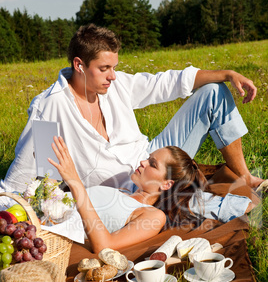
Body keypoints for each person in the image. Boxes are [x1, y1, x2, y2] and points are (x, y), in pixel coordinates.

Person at [1, 23, 265, 196]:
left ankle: (246, 179)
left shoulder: (115, 84)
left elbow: (165, 83)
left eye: (114, 67)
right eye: (104, 69)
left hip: (151, 161)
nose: (113, 76)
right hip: (122, 193)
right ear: (79, 65)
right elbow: (27, 177)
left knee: (214, 92)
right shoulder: (50, 108)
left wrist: (228, 73)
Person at [48, 136, 253, 253]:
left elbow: (105, 246)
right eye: (147, 158)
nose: (142, 162)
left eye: (152, 164)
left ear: (166, 184)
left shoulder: (153, 216)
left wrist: (75, 182)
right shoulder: (121, 191)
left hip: (48, 234)